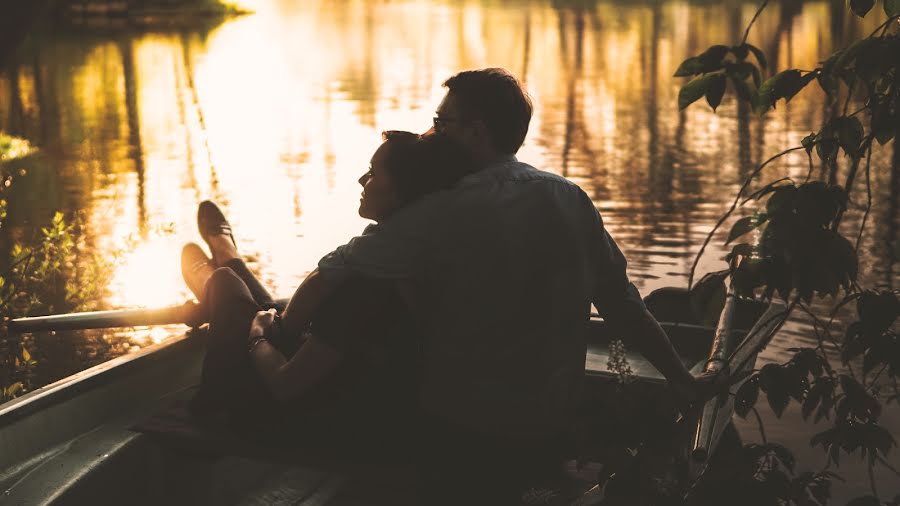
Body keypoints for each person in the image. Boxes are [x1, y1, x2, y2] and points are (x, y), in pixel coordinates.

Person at [264, 68, 714, 504]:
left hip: (458, 430)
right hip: (550, 427)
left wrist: (278, 333)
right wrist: (682, 381)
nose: (430, 133)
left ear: (476, 132)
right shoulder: (570, 197)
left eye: (441, 123)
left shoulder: (441, 211)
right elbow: (622, 306)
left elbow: (329, 274)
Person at [181, 131, 473, 454]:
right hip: (335, 383)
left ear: (402, 193)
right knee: (248, 295)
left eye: (374, 173)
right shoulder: (413, 259)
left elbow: (284, 385)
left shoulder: (365, 285)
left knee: (225, 283)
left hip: (297, 415)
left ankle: (220, 266)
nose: (363, 179)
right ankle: (226, 258)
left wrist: (258, 336)